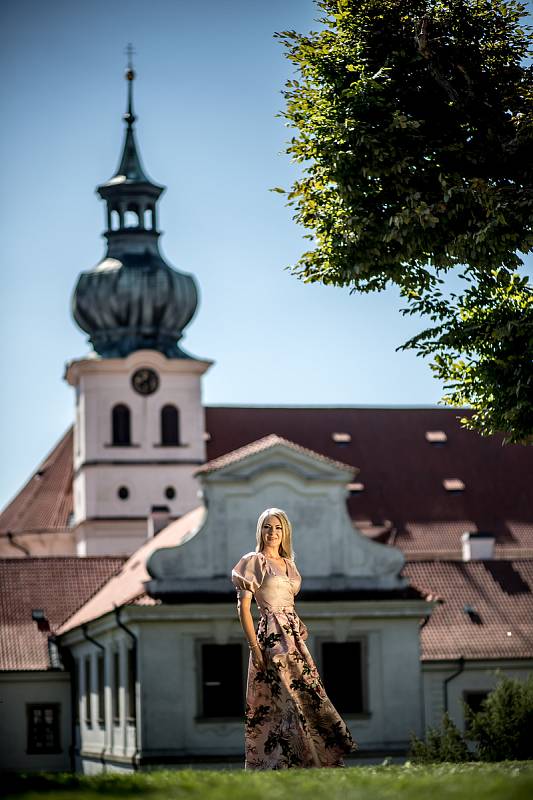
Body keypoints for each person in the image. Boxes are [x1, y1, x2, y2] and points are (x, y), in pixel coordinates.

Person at [231, 507, 357, 770]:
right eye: (267, 527)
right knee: (282, 700)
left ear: (285, 532)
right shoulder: (254, 561)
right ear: (260, 530)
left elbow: (288, 604)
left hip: (294, 640)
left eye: (278, 528)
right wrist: (254, 647)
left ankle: (312, 759)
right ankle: (278, 763)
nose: (272, 533)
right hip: (271, 639)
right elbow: (243, 608)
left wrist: (298, 625)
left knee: (307, 695)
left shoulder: (289, 565)